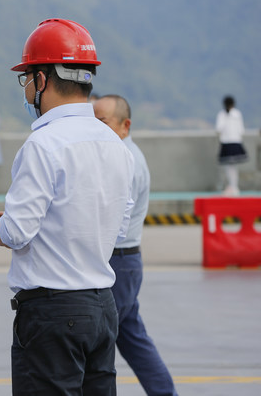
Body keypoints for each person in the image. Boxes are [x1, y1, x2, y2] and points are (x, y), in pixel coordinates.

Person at [0, 19, 134, 395]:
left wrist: (1, 228)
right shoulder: (115, 144)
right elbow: (117, 226)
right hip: (102, 307)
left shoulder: (43, 144)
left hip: (52, 313)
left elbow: (18, 232)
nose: (27, 88)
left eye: (27, 78)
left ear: (44, 79)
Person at [94, 95, 178, 396]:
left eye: (102, 122)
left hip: (118, 261)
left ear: (125, 125)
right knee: (132, 338)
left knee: (99, 343)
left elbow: (107, 219)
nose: (95, 128)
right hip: (125, 262)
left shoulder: (124, 162)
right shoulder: (122, 154)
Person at [216, 95, 247, 196]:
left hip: (231, 141)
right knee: (229, 166)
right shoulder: (224, 114)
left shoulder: (234, 114)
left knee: (232, 166)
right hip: (230, 141)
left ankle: (233, 186)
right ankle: (232, 186)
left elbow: (218, 129)